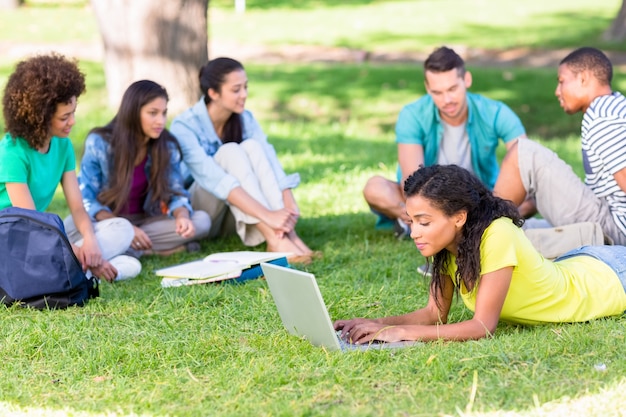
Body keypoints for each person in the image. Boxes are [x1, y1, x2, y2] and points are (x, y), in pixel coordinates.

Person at [335, 165, 626, 343]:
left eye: (424, 222)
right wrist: (376, 326)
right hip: (582, 265)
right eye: (412, 222)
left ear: (459, 217)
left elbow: (483, 326)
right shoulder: (449, 249)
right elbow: (434, 314)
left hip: (611, 280)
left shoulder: (497, 233)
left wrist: (402, 334)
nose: (415, 233)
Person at [0, 53, 139, 283]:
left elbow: (77, 207)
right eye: (65, 117)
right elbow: (32, 223)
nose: (73, 122)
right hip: (14, 239)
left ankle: (78, 267)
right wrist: (76, 249)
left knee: (122, 229)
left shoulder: (62, 146)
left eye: (73, 112)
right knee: (62, 240)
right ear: (40, 118)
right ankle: (86, 267)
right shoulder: (12, 153)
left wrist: (90, 241)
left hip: (43, 233)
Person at [363, 46, 527, 239]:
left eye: (452, 89)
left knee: (529, 198)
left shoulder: (496, 112)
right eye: (437, 92)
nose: (447, 100)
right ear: (427, 88)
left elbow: (525, 159)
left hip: (483, 199)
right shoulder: (412, 114)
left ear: (466, 80)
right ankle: (429, 222)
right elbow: (411, 184)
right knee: (374, 188)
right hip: (428, 200)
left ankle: (424, 225)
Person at [170, 57, 315, 263]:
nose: (244, 95)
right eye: (236, 89)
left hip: (233, 212)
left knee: (253, 147)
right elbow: (214, 179)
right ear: (213, 93)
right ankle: (274, 238)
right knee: (230, 152)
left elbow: (269, 157)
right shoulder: (184, 126)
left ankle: (289, 236)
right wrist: (268, 215)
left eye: (245, 87)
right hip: (200, 214)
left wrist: (287, 198)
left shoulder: (245, 118)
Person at [494, 47, 626, 246]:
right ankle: (481, 243)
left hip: (615, 230)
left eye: (562, 81)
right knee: (523, 231)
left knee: (524, 153)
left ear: (583, 79)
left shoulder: (601, 117)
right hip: (610, 221)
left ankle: (479, 234)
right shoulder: (614, 106)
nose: (557, 91)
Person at [67, 80, 211, 257]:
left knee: (201, 221)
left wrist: (182, 216)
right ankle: (149, 250)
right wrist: (125, 227)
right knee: (71, 227)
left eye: (164, 113)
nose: (161, 121)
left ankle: (130, 249)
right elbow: (86, 199)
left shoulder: (167, 145)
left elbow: (176, 193)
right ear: (133, 113)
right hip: (107, 222)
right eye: (153, 113)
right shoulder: (100, 143)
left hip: (147, 224)